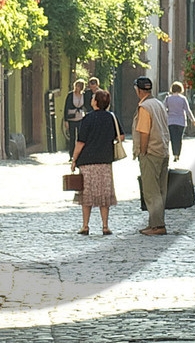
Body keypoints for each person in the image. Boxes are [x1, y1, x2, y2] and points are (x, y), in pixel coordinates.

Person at [71, 87, 123, 236]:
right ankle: (105, 226)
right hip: (105, 160)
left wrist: (74, 159)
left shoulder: (87, 118)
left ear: (96, 102)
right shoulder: (111, 117)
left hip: (87, 161)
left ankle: (85, 226)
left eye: (93, 98)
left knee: (86, 195)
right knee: (104, 195)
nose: (91, 99)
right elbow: (121, 136)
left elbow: (80, 142)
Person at [132, 74, 171, 236]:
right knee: (160, 190)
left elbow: (144, 132)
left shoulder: (145, 107)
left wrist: (142, 152)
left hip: (151, 151)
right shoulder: (158, 104)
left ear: (138, 90)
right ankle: (155, 223)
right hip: (163, 150)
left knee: (151, 190)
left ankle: (157, 225)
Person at [164, 80, 195, 159]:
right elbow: (187, 110)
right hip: (181, 121)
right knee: (179, 138)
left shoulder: (168, 98)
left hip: (171, 121)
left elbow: (163, 108)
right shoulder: (183, 99)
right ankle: (177, 154)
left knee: (173, 138)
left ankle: (174, 153)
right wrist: (193, 119)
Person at [62, 79, 87, 159]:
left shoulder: (84, 95)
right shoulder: (70, 95)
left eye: (79, 86)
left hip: (80, 118)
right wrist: (66, 121)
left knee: (80, 137)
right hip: (71, 118)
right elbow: (66, 108)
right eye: (76, 86)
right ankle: (71, 155)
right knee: (72, 137)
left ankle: (79, 154)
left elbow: (86, 106)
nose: (77, 87)